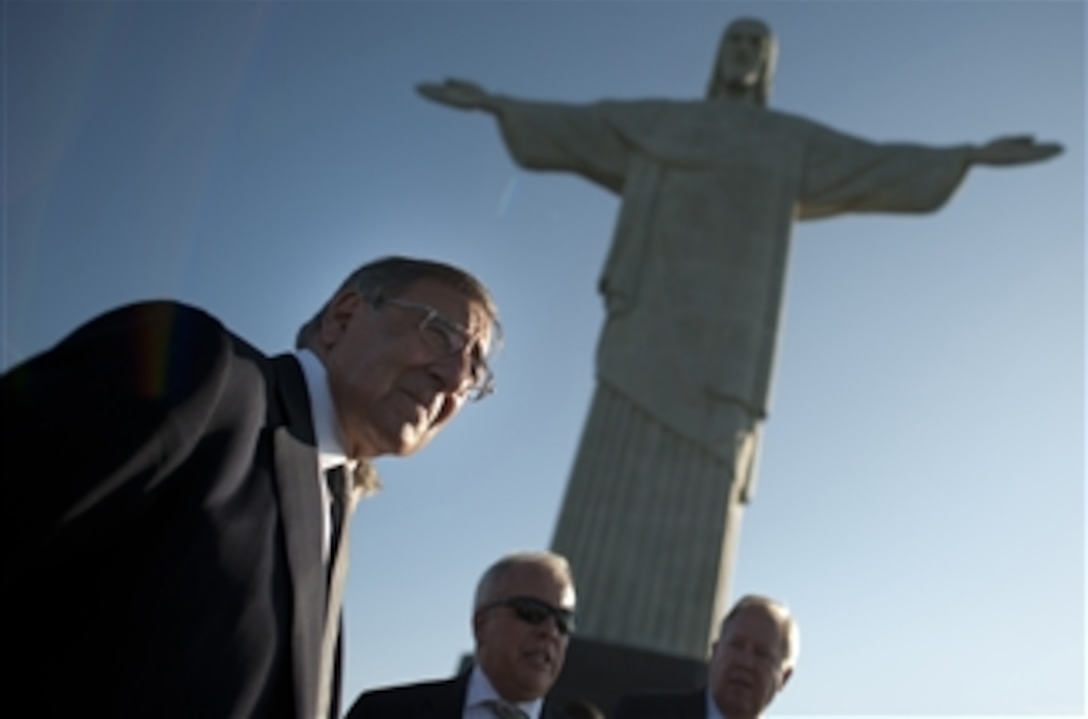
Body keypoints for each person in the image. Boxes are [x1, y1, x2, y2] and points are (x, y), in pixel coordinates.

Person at [416, 18, 1063, 660]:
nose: (744, 53)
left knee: (707, 481)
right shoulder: (667, 122)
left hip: (727, 347)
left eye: (758, 45)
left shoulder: (786, 141)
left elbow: (874, 163)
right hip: (645, 329)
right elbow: (588, 125)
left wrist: (966, 157)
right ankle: (581, 624)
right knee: (614, 460)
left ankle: (665, 642)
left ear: (770, 63)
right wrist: (498, 105)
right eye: (736, 41)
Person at [1, 255, 500, 718]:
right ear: (344, 317)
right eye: (441, 333)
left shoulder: (334, 507)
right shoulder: (204, 371)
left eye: (475, 369)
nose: (455, 378)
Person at [345, 550, 577, 718]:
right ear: (481, 624)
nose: (550, 631)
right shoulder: (384, 713)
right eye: (531, 612)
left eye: (563, 621)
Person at [610, 595, 798, 719]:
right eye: (736, 645)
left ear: (785, 677)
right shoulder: (640, 714)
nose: (745, 662)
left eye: (761, 654)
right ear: (715, 652)